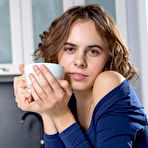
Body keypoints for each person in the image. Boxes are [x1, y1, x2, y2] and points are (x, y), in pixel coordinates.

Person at [14, 4, 148, 148]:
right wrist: (47, 112)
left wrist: (60, 115)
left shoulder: (109, 82)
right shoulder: (66, 100)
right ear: (56, 54)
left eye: (93, 51)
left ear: (108, 58)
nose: (79, 62)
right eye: (70, 49)